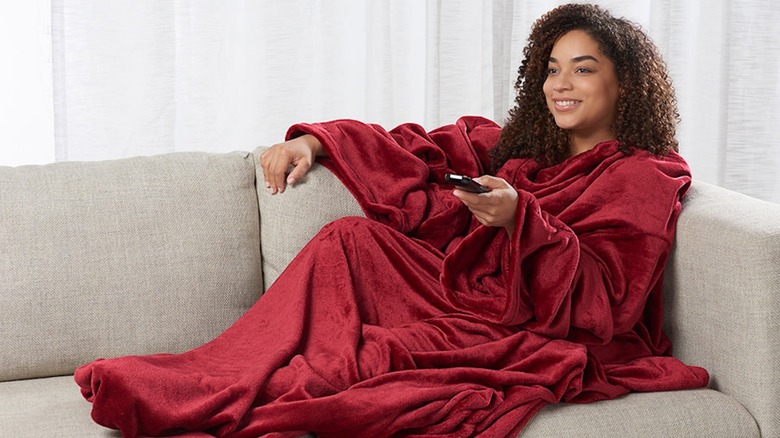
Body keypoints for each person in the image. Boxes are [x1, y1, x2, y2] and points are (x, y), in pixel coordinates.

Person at [75, 4, 709, 437]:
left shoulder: (642, 175)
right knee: (349, 238)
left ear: (625, 85)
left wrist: (522, 221)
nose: (560, 84)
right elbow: (418, 148)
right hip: (463, 293)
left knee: (380, 355)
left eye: (583, 69)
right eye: (551, 68)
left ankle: (257, 394)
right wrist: (314, 143)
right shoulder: (520, 149)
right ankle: (215, 378)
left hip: (535, 325)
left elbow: (609, 301)